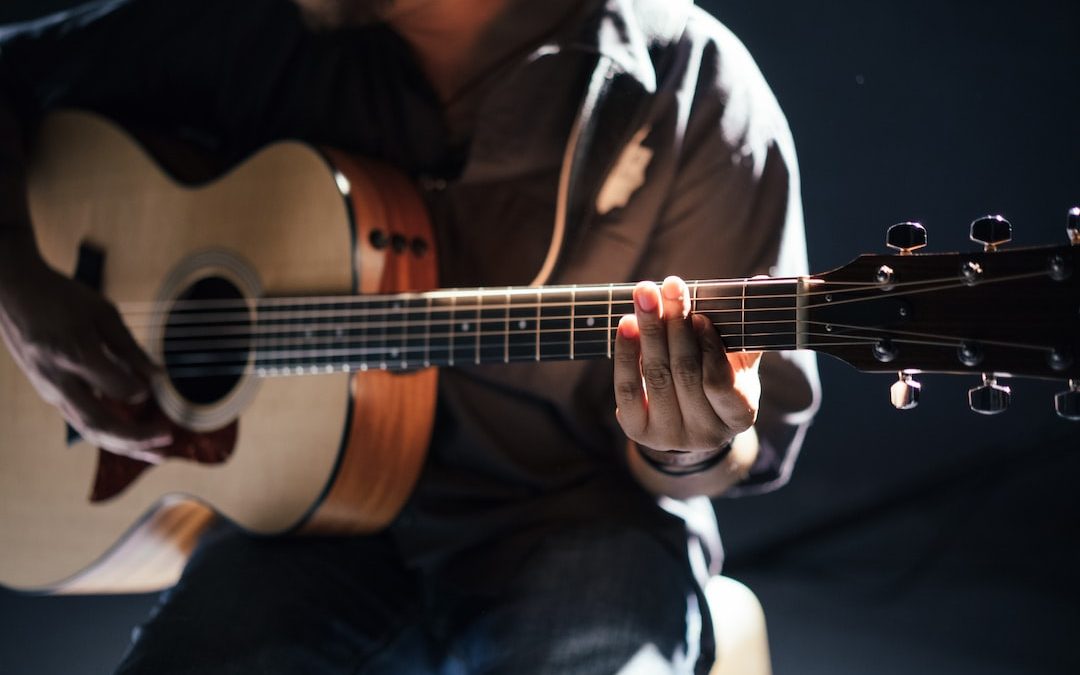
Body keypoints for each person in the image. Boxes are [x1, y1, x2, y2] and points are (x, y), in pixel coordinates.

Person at [0, 0, 819, 672]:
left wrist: (687, 440)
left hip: (576, 522)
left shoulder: (693, 86)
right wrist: (21, 286)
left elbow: (732, 450)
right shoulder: (260, 28)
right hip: (304, 531)